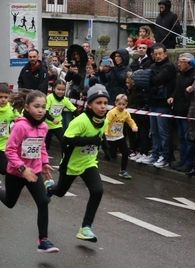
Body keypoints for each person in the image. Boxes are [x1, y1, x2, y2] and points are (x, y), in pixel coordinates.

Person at [0, 89, 58, 253]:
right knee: (10, 203)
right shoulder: (20, 126)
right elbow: (9, 151)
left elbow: (42, 146)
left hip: (35, 171)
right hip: (16, 173)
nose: (40, 110)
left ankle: (43, 240)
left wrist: (45, 162)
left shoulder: (44, 126)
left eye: (43, 107)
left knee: (43, 202)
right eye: (36, 106)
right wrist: (23, 168)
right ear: (27, 106)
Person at [46, 84, 109, 243]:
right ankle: (49, 187)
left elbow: (100, 137)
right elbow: (67, 140)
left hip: (88, 162)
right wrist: (91, 140)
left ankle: (85, 227)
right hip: (71, 163)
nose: (102, 107)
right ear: (90, 104)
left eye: (105, 103)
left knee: (98, 191)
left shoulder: (104, 120)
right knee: (60, 192)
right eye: (98, 103)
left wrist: (106, 146)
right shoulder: (81, 120)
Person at [142, 44, 176, 168]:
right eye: (155, 54)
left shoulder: (169, 66)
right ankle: (155, 154)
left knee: (163, 132)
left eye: (160, 53)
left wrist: (153, 80)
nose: (157, 56)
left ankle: (165, 156)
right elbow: (146, 80)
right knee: (155, 131)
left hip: (163, 103)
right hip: (153, 101)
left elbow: (156, 79)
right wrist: (153, 81)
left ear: (165, 54)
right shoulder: (153, 65)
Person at [170, 53, 195, 172]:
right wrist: (172, 97)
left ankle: (189, 161)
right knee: (181, 137)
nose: (179, 64)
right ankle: (182, 159)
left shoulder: (194, 76)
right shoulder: (180, 75)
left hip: (188, 111)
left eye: (182, 62)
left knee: (188, 138)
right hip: (178, 110)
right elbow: (177, 90)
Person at [103, 93, 138, 179]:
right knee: (111, 154)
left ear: (126, 104)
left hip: (119, 136)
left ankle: (123, 170)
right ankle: (107, 154)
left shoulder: (126, 113)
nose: (121, 106)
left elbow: (130, 120)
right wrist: (106, 132)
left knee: (125, 152)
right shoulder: (111, 112)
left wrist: (134, 127)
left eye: (123, 104)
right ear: (115, 103)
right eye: (119, 104)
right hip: (110, 137)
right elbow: (106, 122)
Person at [44, 79, 76, 151]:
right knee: (47, 145)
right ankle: (43, 160)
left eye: (63, 90)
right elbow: (44, 112)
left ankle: (64, 160)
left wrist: (81, 118)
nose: (60, 92)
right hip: (47, 125)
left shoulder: (65, 100)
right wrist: (52, 119)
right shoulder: (49, 98)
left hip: (57, 125)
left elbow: (74, 110)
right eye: (58, 89)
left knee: (64, 142)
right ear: (54, 89)